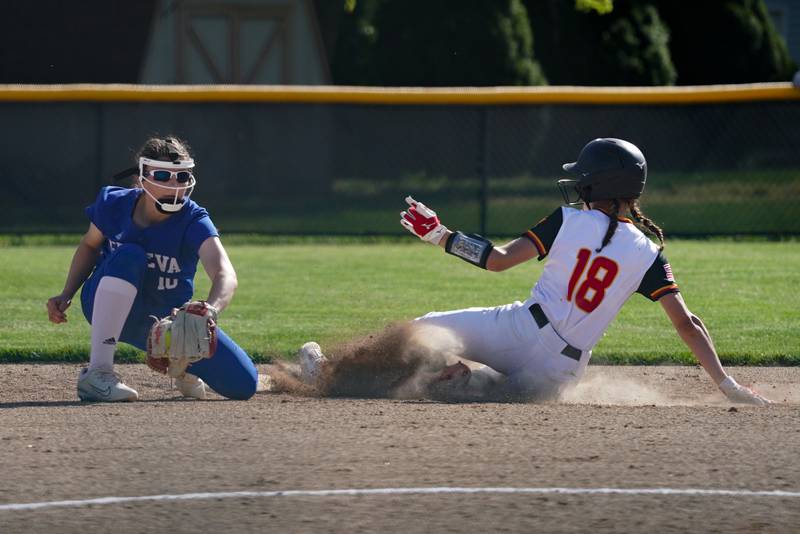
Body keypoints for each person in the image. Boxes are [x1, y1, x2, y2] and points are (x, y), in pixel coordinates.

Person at [295, 138, 770, 405]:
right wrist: (726, 385)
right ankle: (468, 383)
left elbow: (499, 260)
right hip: (561, 372)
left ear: (595, 183)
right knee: (494, 392)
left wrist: (440, 235)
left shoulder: (570, 219)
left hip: (522, 329)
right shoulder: (648, 251)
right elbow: (687, 324)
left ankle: (334, 374)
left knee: (421, 332)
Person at [47, 135, 259, 402]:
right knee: (130, 255)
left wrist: (210, 310)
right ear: (141, 178)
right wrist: (66, 292)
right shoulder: (114, 203)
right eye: (163, 175)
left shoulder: (193, 219)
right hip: (103, 303)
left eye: (181, 177)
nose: (174, 185)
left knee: (243, 384)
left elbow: (224, 273)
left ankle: (179, 359)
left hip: (168, 322)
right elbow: (90, 246)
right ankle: (98, 373)